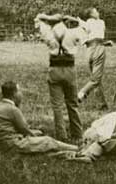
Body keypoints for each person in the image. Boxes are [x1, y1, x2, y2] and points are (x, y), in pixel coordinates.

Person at [0, 81, 78, 154]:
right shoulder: (13, 109)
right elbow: (25, 130)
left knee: (41, 136)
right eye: (19, 91)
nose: (21, 94)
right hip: (13, 145)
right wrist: (38, 137)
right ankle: (77, 149)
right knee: (48, 141)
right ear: (14, 94)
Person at [34, 11, 86, 142]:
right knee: (72, 104)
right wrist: (74, 19)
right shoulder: (73, 32)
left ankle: (61, 136)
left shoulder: (48, 33)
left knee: (57, 106)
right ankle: (77, 134)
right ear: (65, 22)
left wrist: (48, 18)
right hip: (70, 69)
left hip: (54, 69)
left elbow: (38, 19)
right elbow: (87, 28)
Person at [77, 7, 113, 110]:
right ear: (92, 15)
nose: (98, 12)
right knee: (96, 79)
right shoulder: (101, 22)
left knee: (95, 78)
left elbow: (89, 39)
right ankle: (81, 93)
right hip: (98, 50)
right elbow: (98, 36)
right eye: (96, 11)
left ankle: (102, 105)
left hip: (89, 51)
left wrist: (80, 22)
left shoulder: (83, 25)